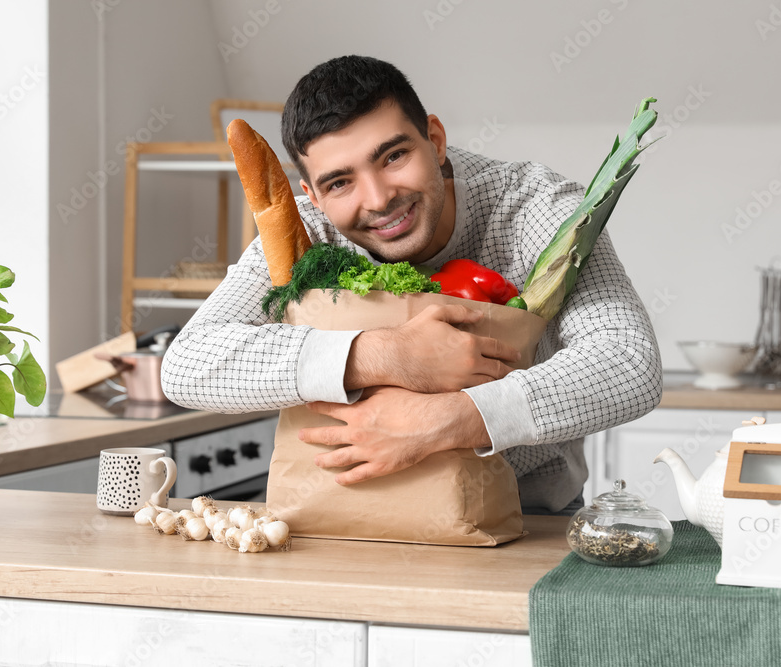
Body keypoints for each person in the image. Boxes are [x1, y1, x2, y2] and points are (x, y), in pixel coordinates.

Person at [161, 55, 662, 515]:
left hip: (528, 519)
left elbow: (627, 361)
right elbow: (187, 365)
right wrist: (388, 354)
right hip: (352, 519)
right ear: (311, 195)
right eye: (340, 182)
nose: (378, 199)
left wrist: (447, 419)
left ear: (435, 140)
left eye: (393, 157)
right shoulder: (311, 230)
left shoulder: (532, 207)